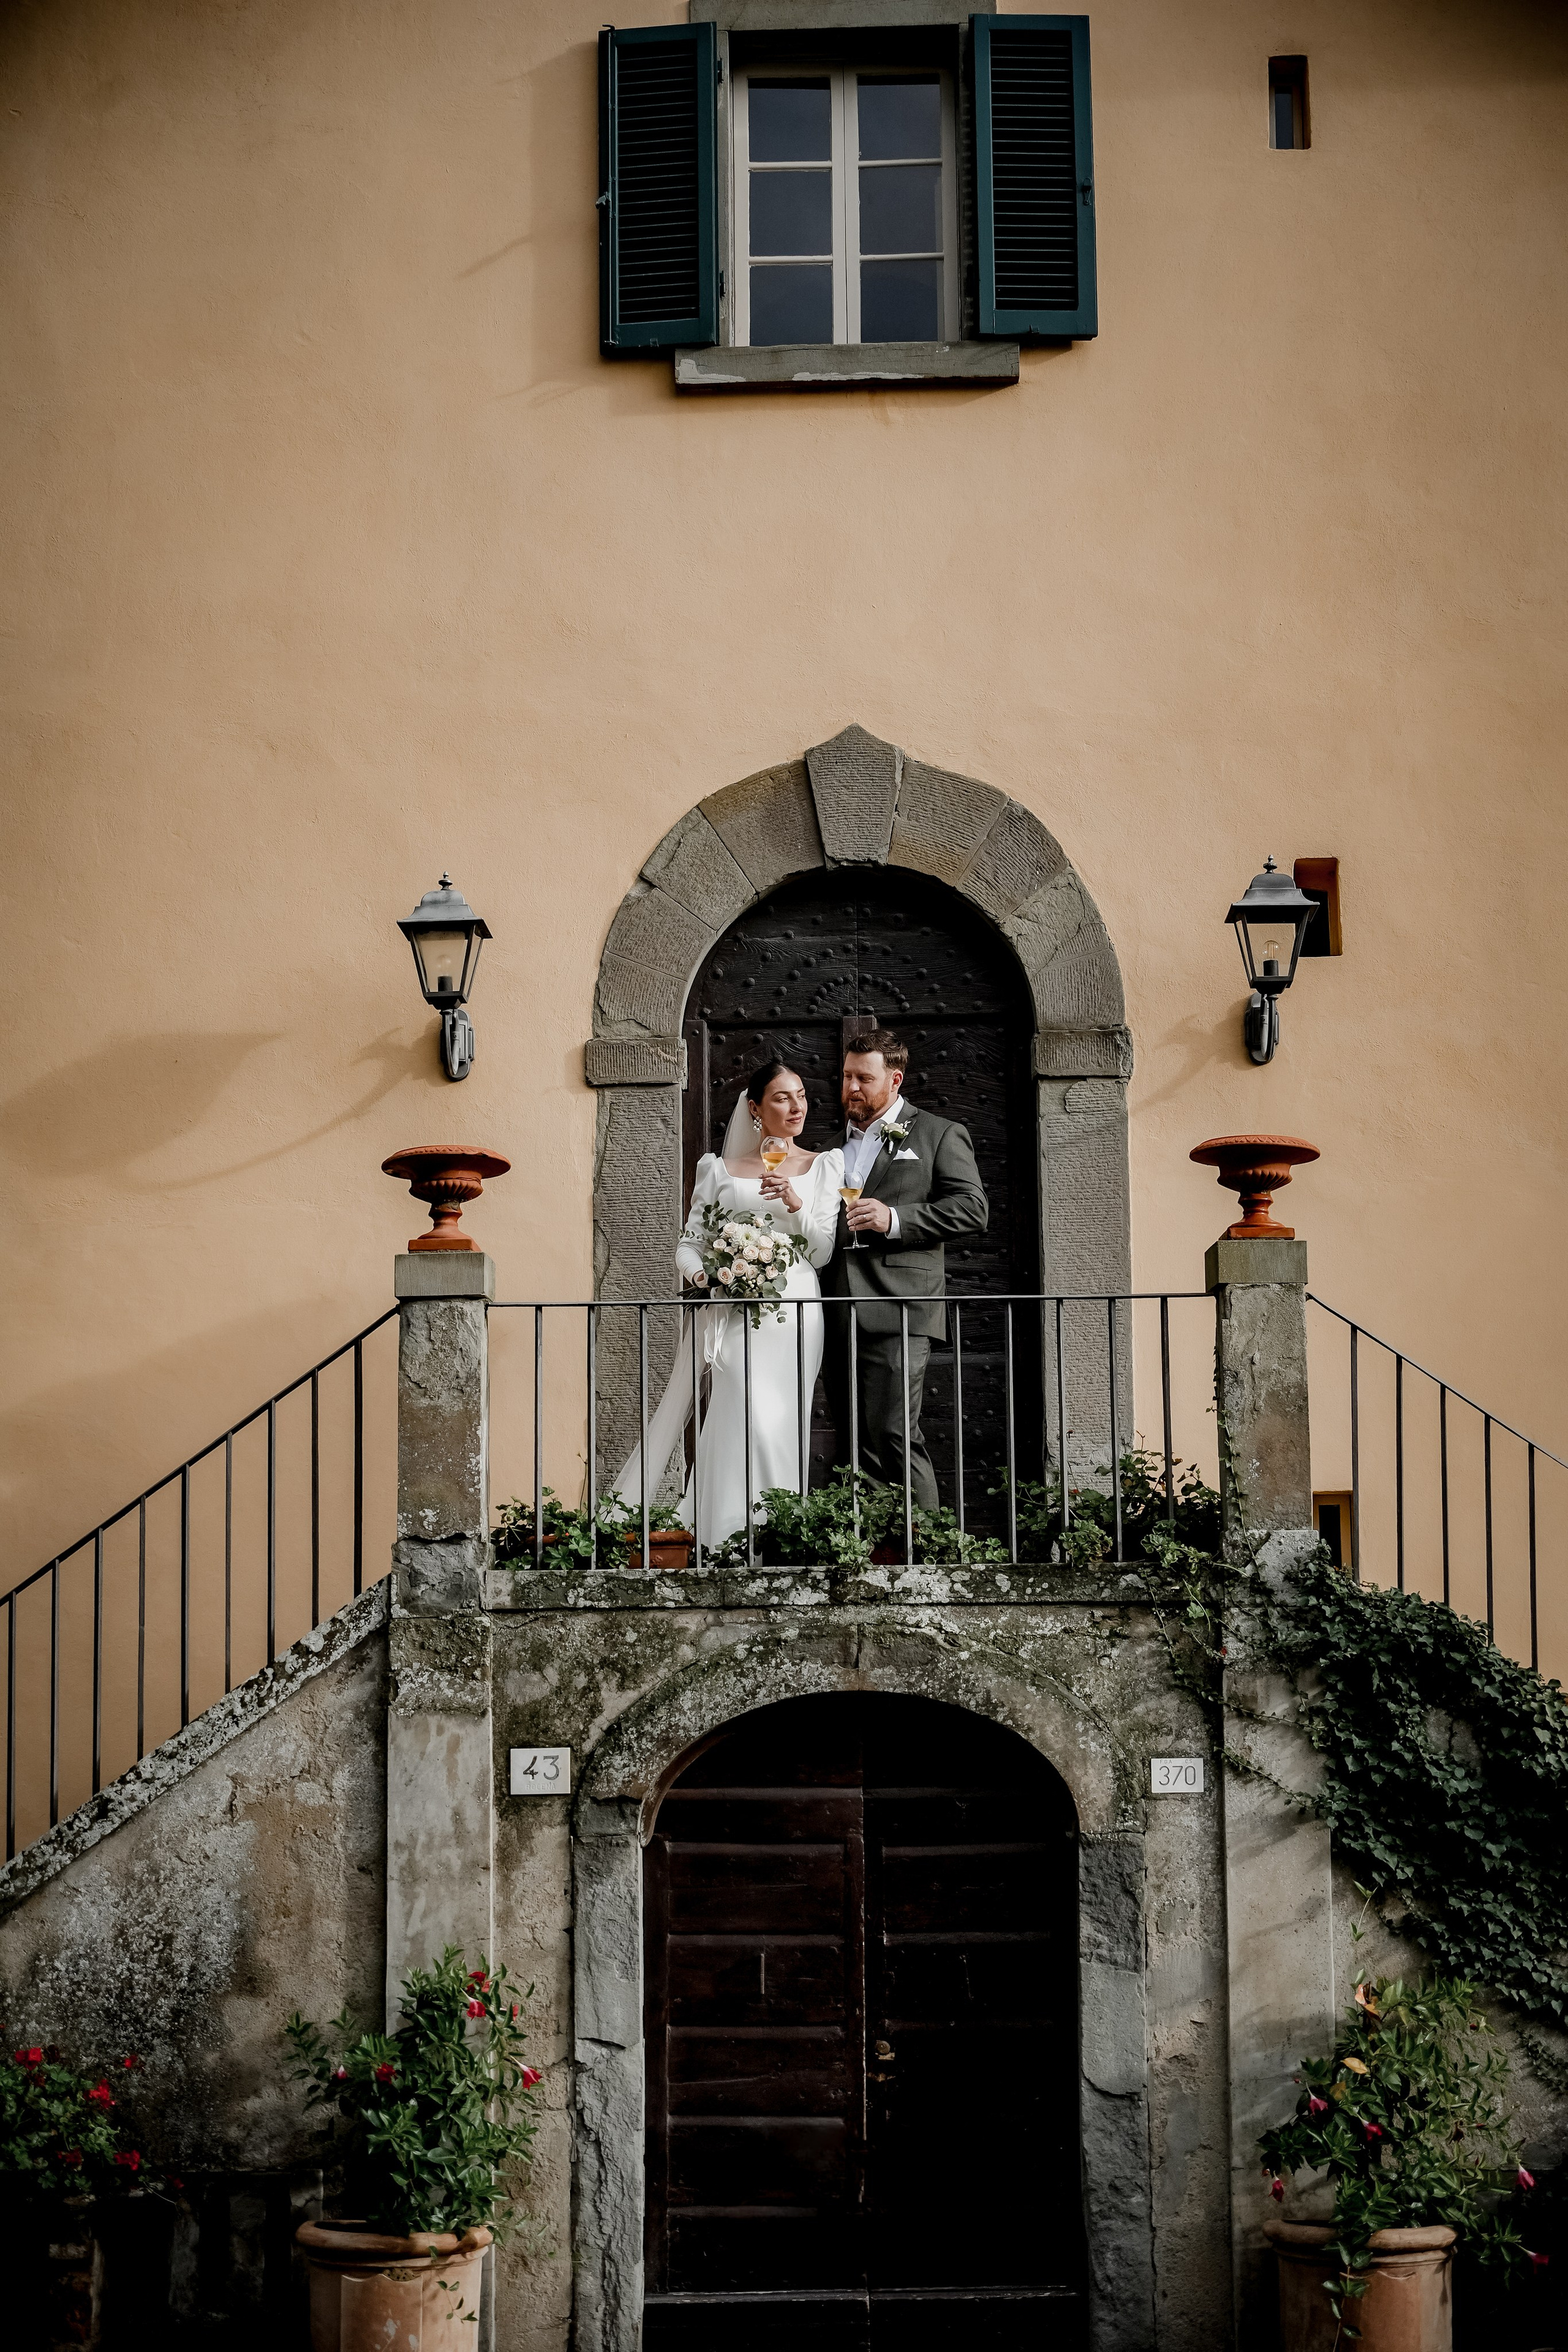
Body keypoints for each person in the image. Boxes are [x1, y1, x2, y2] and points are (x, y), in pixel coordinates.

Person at [612, 1061, 843, 1548]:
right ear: (756, 1108)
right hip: (734, 1310)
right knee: (741, 1409)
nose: (796, 1106)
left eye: (801, 1095)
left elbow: (821, 1252)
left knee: (783, 1421)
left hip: (795, 1311)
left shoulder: (824, 1165)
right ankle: (723, 1536)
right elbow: (689, 1244)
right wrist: (705, 1276)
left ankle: (777, 1536)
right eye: (782, 1097)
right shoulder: (717, 1169)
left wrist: (795, 1206)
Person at [820, 1028, 989, 1509]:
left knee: (895, 1434)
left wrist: (894, 1219)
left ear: (895, 1080)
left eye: (864, 1078)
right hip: (838, 1311)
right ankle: (872, 1542)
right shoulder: (829, 1148)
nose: (852, 1087)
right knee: (855, 1442)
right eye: (847, 1076)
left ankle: (930, 1546)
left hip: (901, 1308)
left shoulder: (938, 1133)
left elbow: (973, 1209)